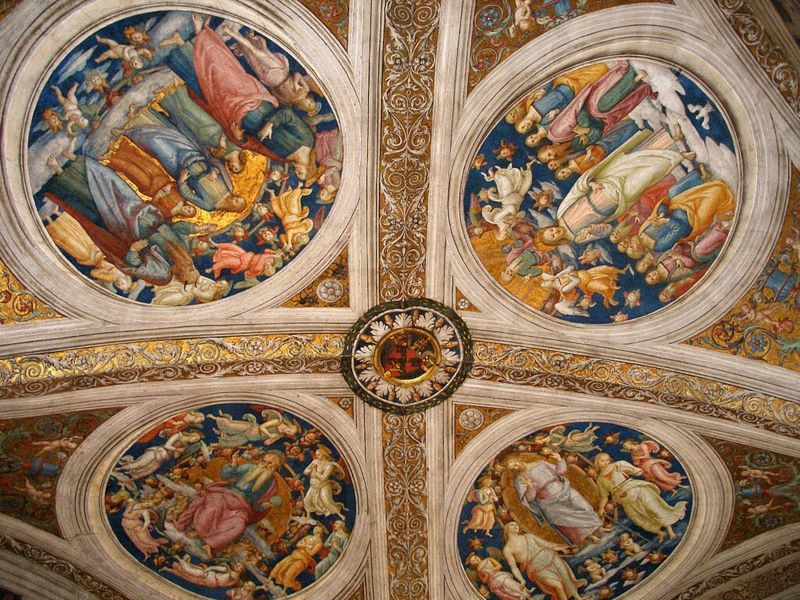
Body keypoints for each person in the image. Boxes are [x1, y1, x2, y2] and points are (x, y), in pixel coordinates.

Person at [161, 19, 318, 180]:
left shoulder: (285, 159)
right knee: (223, 72)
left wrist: (240, 139)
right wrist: (270, 125)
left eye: (297, 174)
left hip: (238, 119)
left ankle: (180, 47)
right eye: (301, 173)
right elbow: (287, 113)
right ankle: (201, 34)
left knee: (206, 88)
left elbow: (258, 147)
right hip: (255, 103)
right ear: (309, 167)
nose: (296, 172)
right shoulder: (307, 140)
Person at [557, 131, 695, 240]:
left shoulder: (561, 214)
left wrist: (591, 184)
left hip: (605, 183)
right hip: (619, 199)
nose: (555, 232)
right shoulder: (577, 238)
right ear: (557, 241)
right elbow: (607, 230)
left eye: (550, 231)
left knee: (634, 160)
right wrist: (592, 230)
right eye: (554, 236)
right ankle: (679, 156)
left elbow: (576, 191)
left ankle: (671, 139)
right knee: (650, 174)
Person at [174, 452, 284, 553]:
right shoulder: (249, 467)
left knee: (239, 525)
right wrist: (233, 464)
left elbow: (258, 506)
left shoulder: (271, 486)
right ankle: (198, 531)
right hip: (226, 494)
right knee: (214, 508)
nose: (265, 465)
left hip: (242, 507)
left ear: (276, 467)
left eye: (270, 463)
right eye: (264, 461)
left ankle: (210, 544)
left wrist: (265, 505)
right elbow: (225, 475)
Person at [123, 125, 245, 213]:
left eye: (236, 201)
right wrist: (214, 171)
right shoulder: (229, 188)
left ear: (232, 208)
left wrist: (182, 181)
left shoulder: (210, 206)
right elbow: (219, 166)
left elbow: (188, 195)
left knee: (154, 143)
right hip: (195, 156)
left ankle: (129, 131)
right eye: (238, 198)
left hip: (180, 167)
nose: (235, 197)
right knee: (171, 132)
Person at [506, 452, 601, 545]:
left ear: (519, 460)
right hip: (549, 505)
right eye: (513, 468)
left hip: (565, 491)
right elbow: (528, 499)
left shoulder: (540, 463)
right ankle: (589, 537)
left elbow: (560, 471)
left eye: (515, 464)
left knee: (584, 507)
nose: (516, 467)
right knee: (567, 522)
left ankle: (599, 527)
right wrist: (531, 488)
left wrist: (559, 460)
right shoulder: (520, 479)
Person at [593, 453, 686, 542]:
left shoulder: (619, 464)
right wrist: (601, 508)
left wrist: (627, 469)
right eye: (602, 461)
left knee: (654, 509)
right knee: (638, 519)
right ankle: (660, 532)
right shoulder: (600, 479)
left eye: (607, 460)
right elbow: (604, 496)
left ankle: (670, 530)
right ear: (597, 463)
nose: (606, 463)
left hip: (636, 489)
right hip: (624, 499)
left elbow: (639, 472)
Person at [502, 522, 587, 600]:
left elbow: (547, 545)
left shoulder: (528, 536)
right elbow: (514, 568)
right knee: (557, 585)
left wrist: (561, 548)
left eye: (516, 524)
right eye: (512, 524)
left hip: (551, 557)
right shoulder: (507, 549)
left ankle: (578, 598)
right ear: (506, 529)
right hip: (536, 568)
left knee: (566, 578)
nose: (516, 526)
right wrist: (521, 580)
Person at [269, 524, 325, 591]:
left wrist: (303, 545)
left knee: (290, 573)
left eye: (316, 528)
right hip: (296, 554)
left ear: (319, 531)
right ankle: (269, 580)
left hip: (304, 559)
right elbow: (298, 544)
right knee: (280, 565)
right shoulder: (308, 536)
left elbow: (311, 553)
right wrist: (306, 546)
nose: (314, 529)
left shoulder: (319, 543)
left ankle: (284, 590)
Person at [465, 553, 532, 600]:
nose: (476, 559)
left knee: (511, 585)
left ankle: (526, 595)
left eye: (475, 557)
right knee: (505, 593)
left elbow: (499, 566)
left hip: (499, 576)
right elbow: (484, 581)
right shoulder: (478, 571)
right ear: (472, 565)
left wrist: (491, 570)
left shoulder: (488, 559)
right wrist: (486, 576)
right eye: (473, 561)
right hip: (492, 583)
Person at [303, 445, 346, 518]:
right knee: (306, 501)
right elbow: (305, 472)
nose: (316, 456)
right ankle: (308, 516)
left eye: (318, 454)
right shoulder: (315, 461)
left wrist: (315, 472)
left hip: (323, 485)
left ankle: (339, 514)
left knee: (326, 501)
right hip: (313, 486)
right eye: (316, 455)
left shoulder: (329, 465)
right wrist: (310, 470)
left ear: (323, 454)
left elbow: (323, 478)